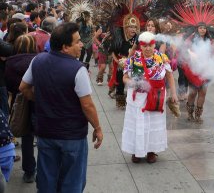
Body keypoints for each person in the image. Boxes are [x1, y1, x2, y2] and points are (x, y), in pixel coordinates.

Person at [19, 22, 103, 193]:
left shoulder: (37, 61)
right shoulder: (78, 69)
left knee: (47, 179)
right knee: (72, 181)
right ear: (65, 47)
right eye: (77, 42)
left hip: (46, 133)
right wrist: (98, 128)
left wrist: (40, 99)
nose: (81, 45)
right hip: (72, 136)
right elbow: (87, 105)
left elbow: (23, 88)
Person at [121, 31, 178, 163]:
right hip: (137, 99)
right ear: (140, 45)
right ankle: (136, 151)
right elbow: (124, 77)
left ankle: (151, 151)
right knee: (138, 124)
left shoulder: (161, 58)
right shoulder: (133, 59)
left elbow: (169, 75)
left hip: (156, 97)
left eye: (150, 45)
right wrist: (131, 83)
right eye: (144, 45)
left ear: (154, 45)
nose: (147, 48)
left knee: (153, 124)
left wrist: (174, 94)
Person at [5, 35, 37, 183]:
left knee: (26, 136)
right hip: (37, 101)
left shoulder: (10, 62)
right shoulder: (38, 60)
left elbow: (10, 85)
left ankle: (29, 170)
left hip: (19, 103)